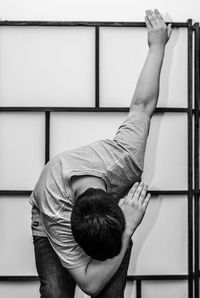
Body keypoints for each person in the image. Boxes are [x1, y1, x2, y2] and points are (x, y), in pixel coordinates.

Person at [30, 9, 172, 298]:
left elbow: (142, 105)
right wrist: (128, 228)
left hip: (105, 224)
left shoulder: (124, 160)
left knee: (111, 295)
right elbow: (90, 284)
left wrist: (157, 46)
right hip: (50, 220)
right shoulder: (56, 213)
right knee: (57, 294)